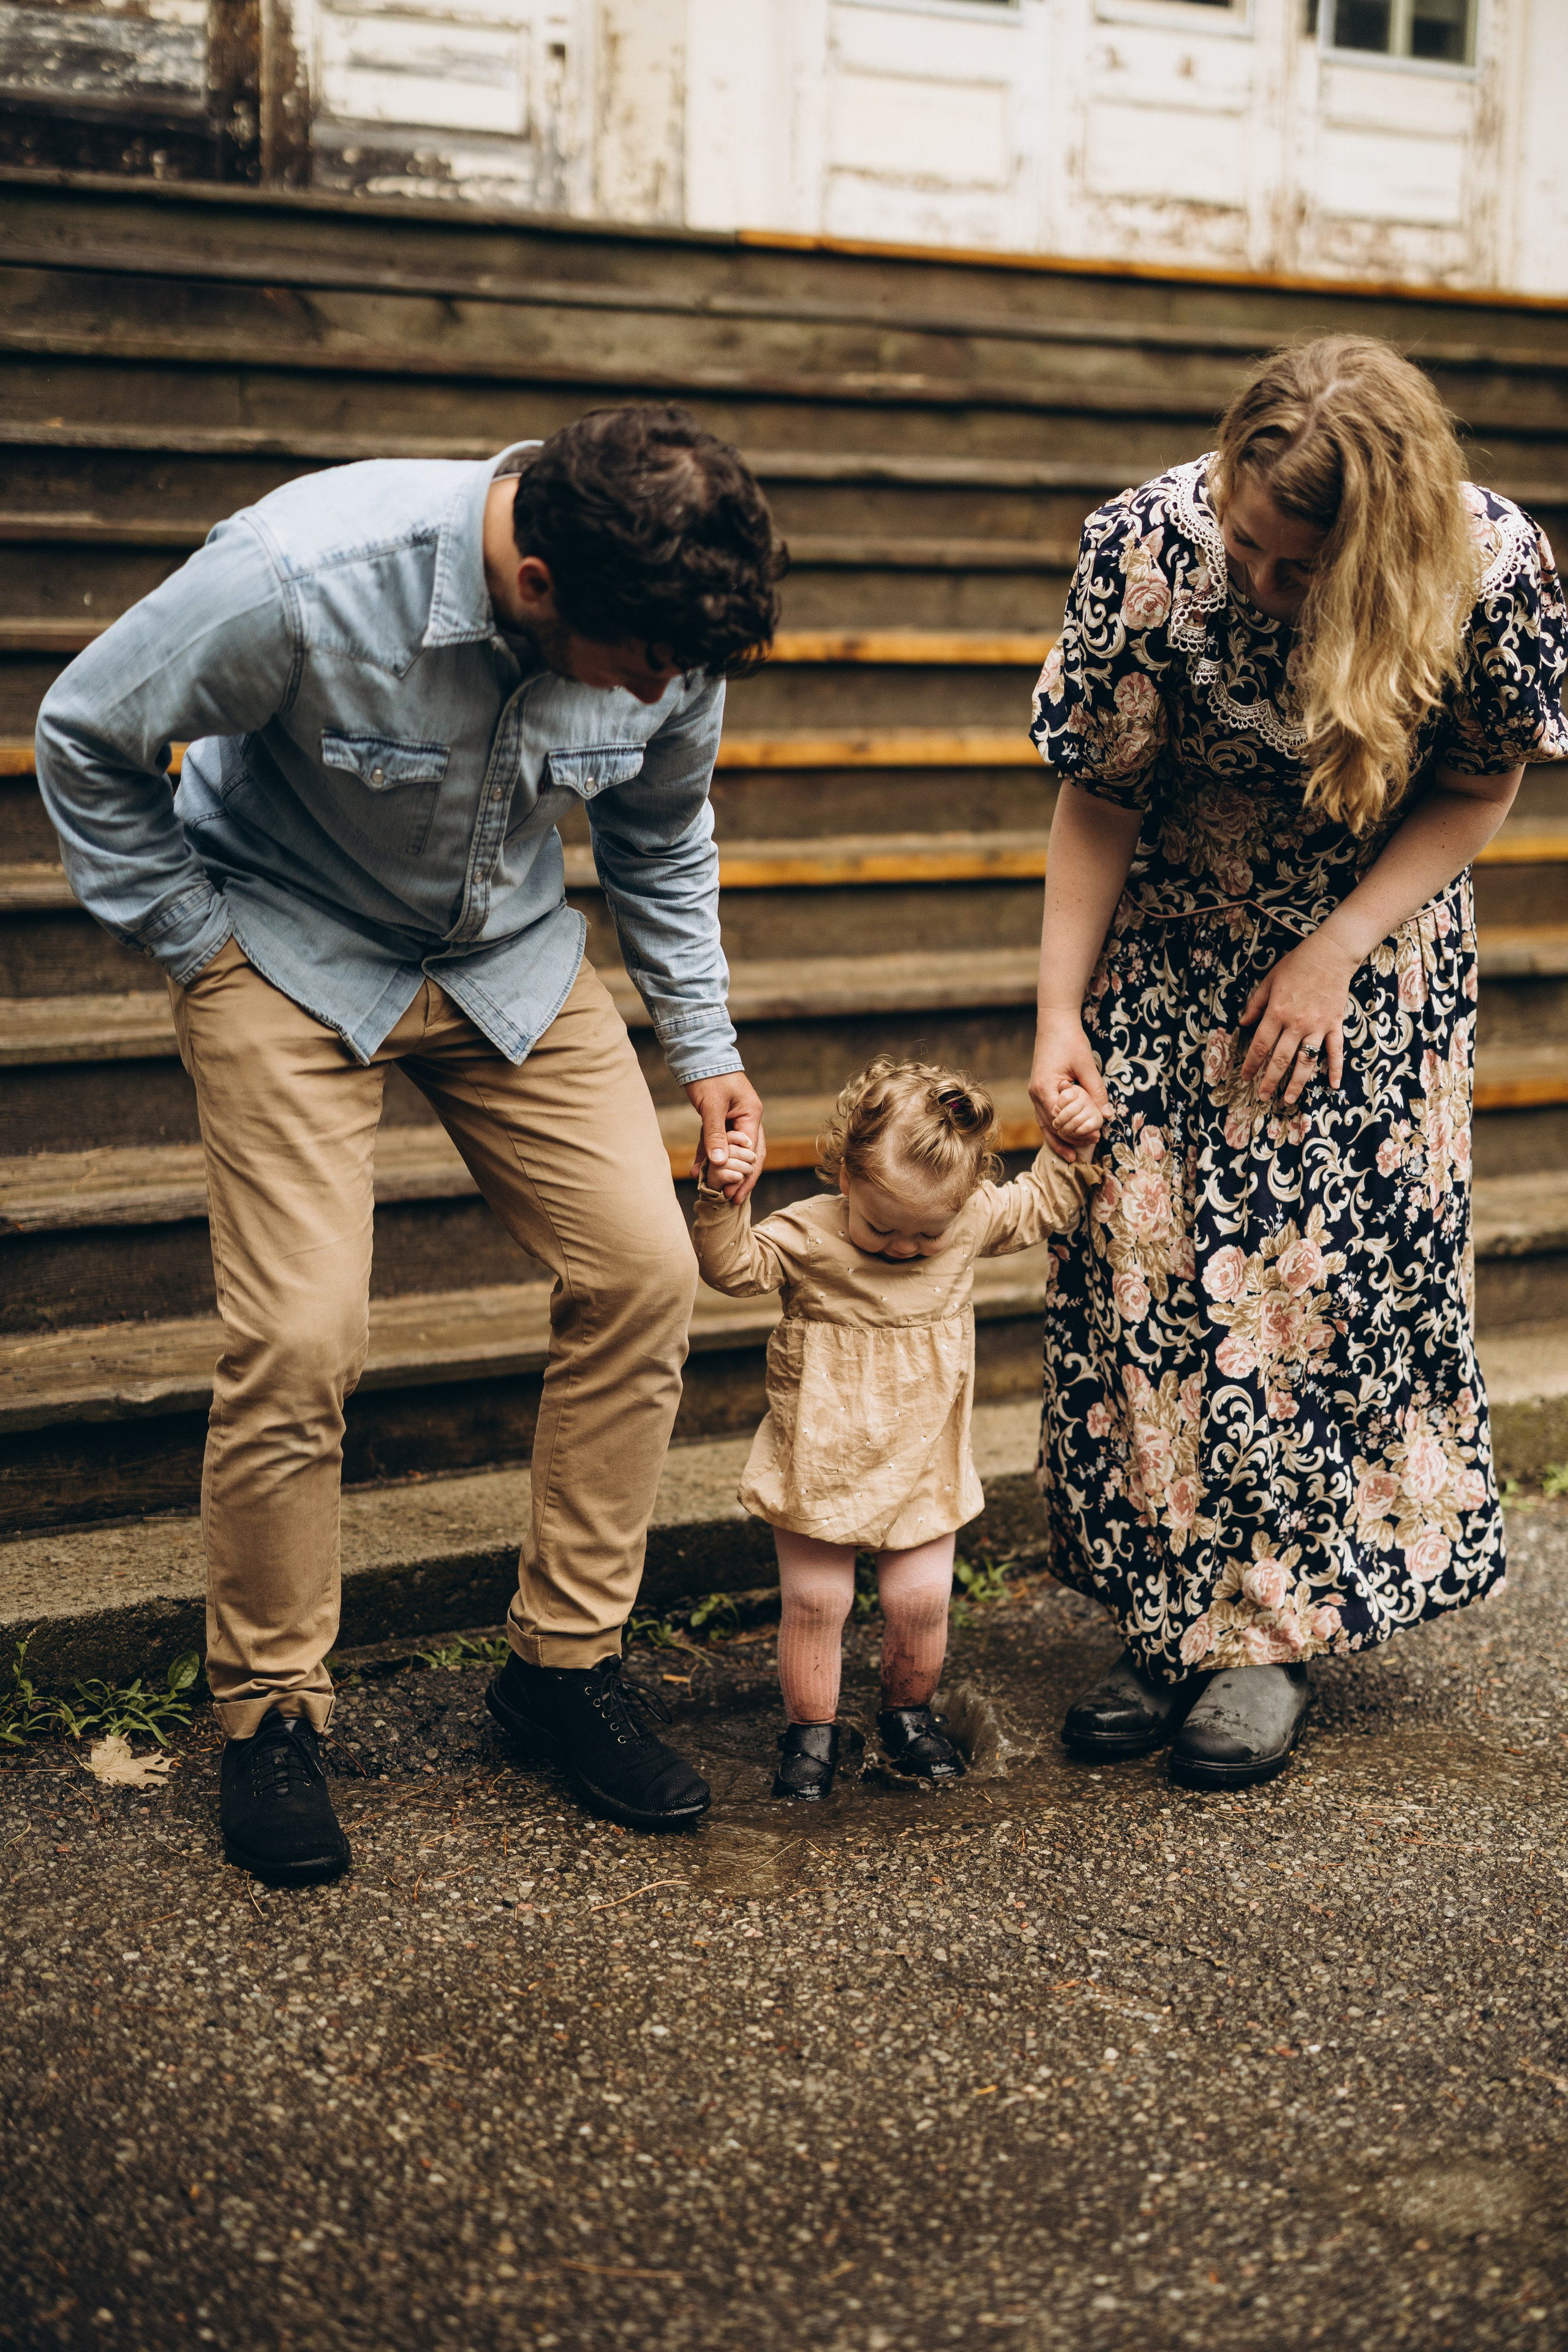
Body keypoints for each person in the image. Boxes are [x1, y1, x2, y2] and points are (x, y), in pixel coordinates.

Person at [35, 403, 785, 1880]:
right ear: (540, 584)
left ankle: (559, 1668)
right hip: (286, 947)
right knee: (305, 1334)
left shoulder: (662, 624)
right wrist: (199, 946)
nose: (669, 689)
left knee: (642, 1269)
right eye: (647, 665)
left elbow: (661, 830)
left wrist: (706, 1051)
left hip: (509, 954)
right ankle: (266, 1716)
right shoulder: (301, 575)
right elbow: (87, 736)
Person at [1028, 336, 1568, 1791]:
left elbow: (1477, 780)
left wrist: (1331, 951)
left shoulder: (1486, 566)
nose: (1259, 583)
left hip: (1364, 965)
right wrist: (1056, 1015)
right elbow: (1094, 794)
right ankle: (1167, 1613)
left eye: (1297, 568)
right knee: (1143, 1280)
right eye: (1250, 544)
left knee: (1295, 1301)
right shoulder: (1146, 549)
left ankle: (1265, 1632)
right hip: (1168, 943)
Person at [693, 1056, 1101, 1800]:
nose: (905, 1248)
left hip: (922, 1458)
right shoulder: (809, 1236)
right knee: (818, 1603)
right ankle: (809, 1732)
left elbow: (1044, 1200)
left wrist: (1068, 1142)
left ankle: (905, 1715)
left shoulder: (972, 1216)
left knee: (920, 1601)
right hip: (820, 1455)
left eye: (927, 1234)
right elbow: (730, 1269)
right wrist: (725, 1200)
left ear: (966, 1199)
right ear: (846, 1178)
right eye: (883, 1228)